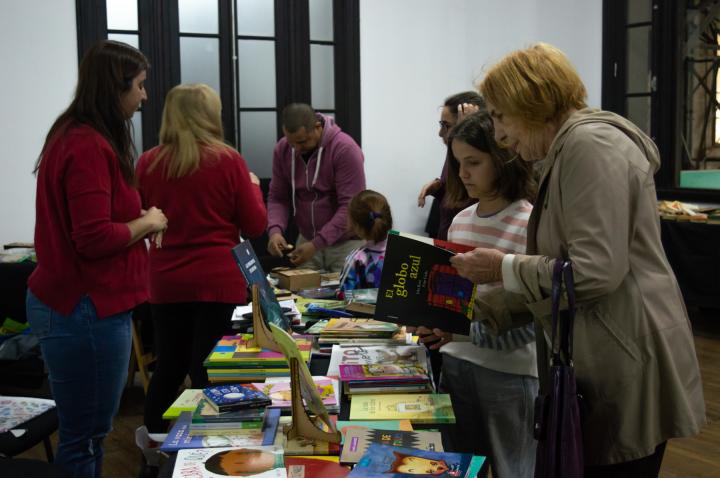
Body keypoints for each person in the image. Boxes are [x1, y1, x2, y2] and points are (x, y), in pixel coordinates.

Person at [450, 43, 706, 476]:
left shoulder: (590, 146)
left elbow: (591, 273)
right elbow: (561, 270)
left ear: (530, 101)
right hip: (606, 350)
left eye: (499, 116)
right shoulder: (572, 148)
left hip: (625, 356)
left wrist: (503, 267)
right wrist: (483, 309)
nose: (498, 134)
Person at [26, 40, 167, 478]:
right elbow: (91, 238)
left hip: (84, 306)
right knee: (85, 438)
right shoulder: (86, 145)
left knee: (87, 436)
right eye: (139, 86)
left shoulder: (79, 135)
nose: (145, 96)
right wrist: (148, 221)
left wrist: (139, 218)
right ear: (115, 87)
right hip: (83, 309)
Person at [136, 84, 267, 434]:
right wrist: (253, 186)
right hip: (216, 279)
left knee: (169, 367)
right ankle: (206, 447)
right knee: (206, 367)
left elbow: (142, 219)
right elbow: (255, 225)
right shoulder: (227, 161)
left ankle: (153, 450)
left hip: (165, 279)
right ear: (211, 115)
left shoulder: (148, 162)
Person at [418, 112, 538, 478]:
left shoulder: (528, 222)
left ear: (503, 158)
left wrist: (462, 331)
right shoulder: (461, 220)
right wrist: (432, 322)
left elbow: (533, 321)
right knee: (460, 469)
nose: (464, 173)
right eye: (458, 164)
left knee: (513, 469)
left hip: (509, 375)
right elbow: (455, 304)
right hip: (455, 368)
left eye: (473, 162)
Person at [266, 103, 366, 272]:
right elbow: (278, 197)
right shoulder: (282, 149)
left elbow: (349, 208)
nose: (296, 149)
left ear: (317, 127)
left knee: (346, 298)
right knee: (301, 297)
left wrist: (317, 243)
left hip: (345, 243)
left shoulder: (345, 149)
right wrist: (275, 231)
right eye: (292, 143)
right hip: (306, 241)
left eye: (302, 142)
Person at [418, 91, 485, 240]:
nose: (440, 133)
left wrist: (469, 132)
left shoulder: (479, 155)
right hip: (448, 237)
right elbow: (457, 193)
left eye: (446, 125)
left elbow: (473, 199)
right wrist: (439, 187)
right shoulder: (452, 152)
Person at [337, 189, 392, 298]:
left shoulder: (357, 259)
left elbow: (345, 296)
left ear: (355, 225)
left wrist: (337, 294)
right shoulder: (404, 249)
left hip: (365, 314)